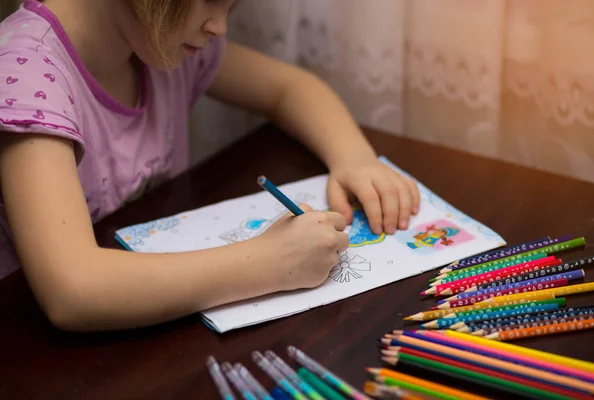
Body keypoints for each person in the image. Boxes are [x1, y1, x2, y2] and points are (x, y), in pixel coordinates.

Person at [0, 0, 420, 332]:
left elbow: (291, 89)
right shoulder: (26, 73)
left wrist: (354, 158)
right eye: (209, 0)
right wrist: (268, 262)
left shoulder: (152, 40)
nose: (219, 26)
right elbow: (74, 291)